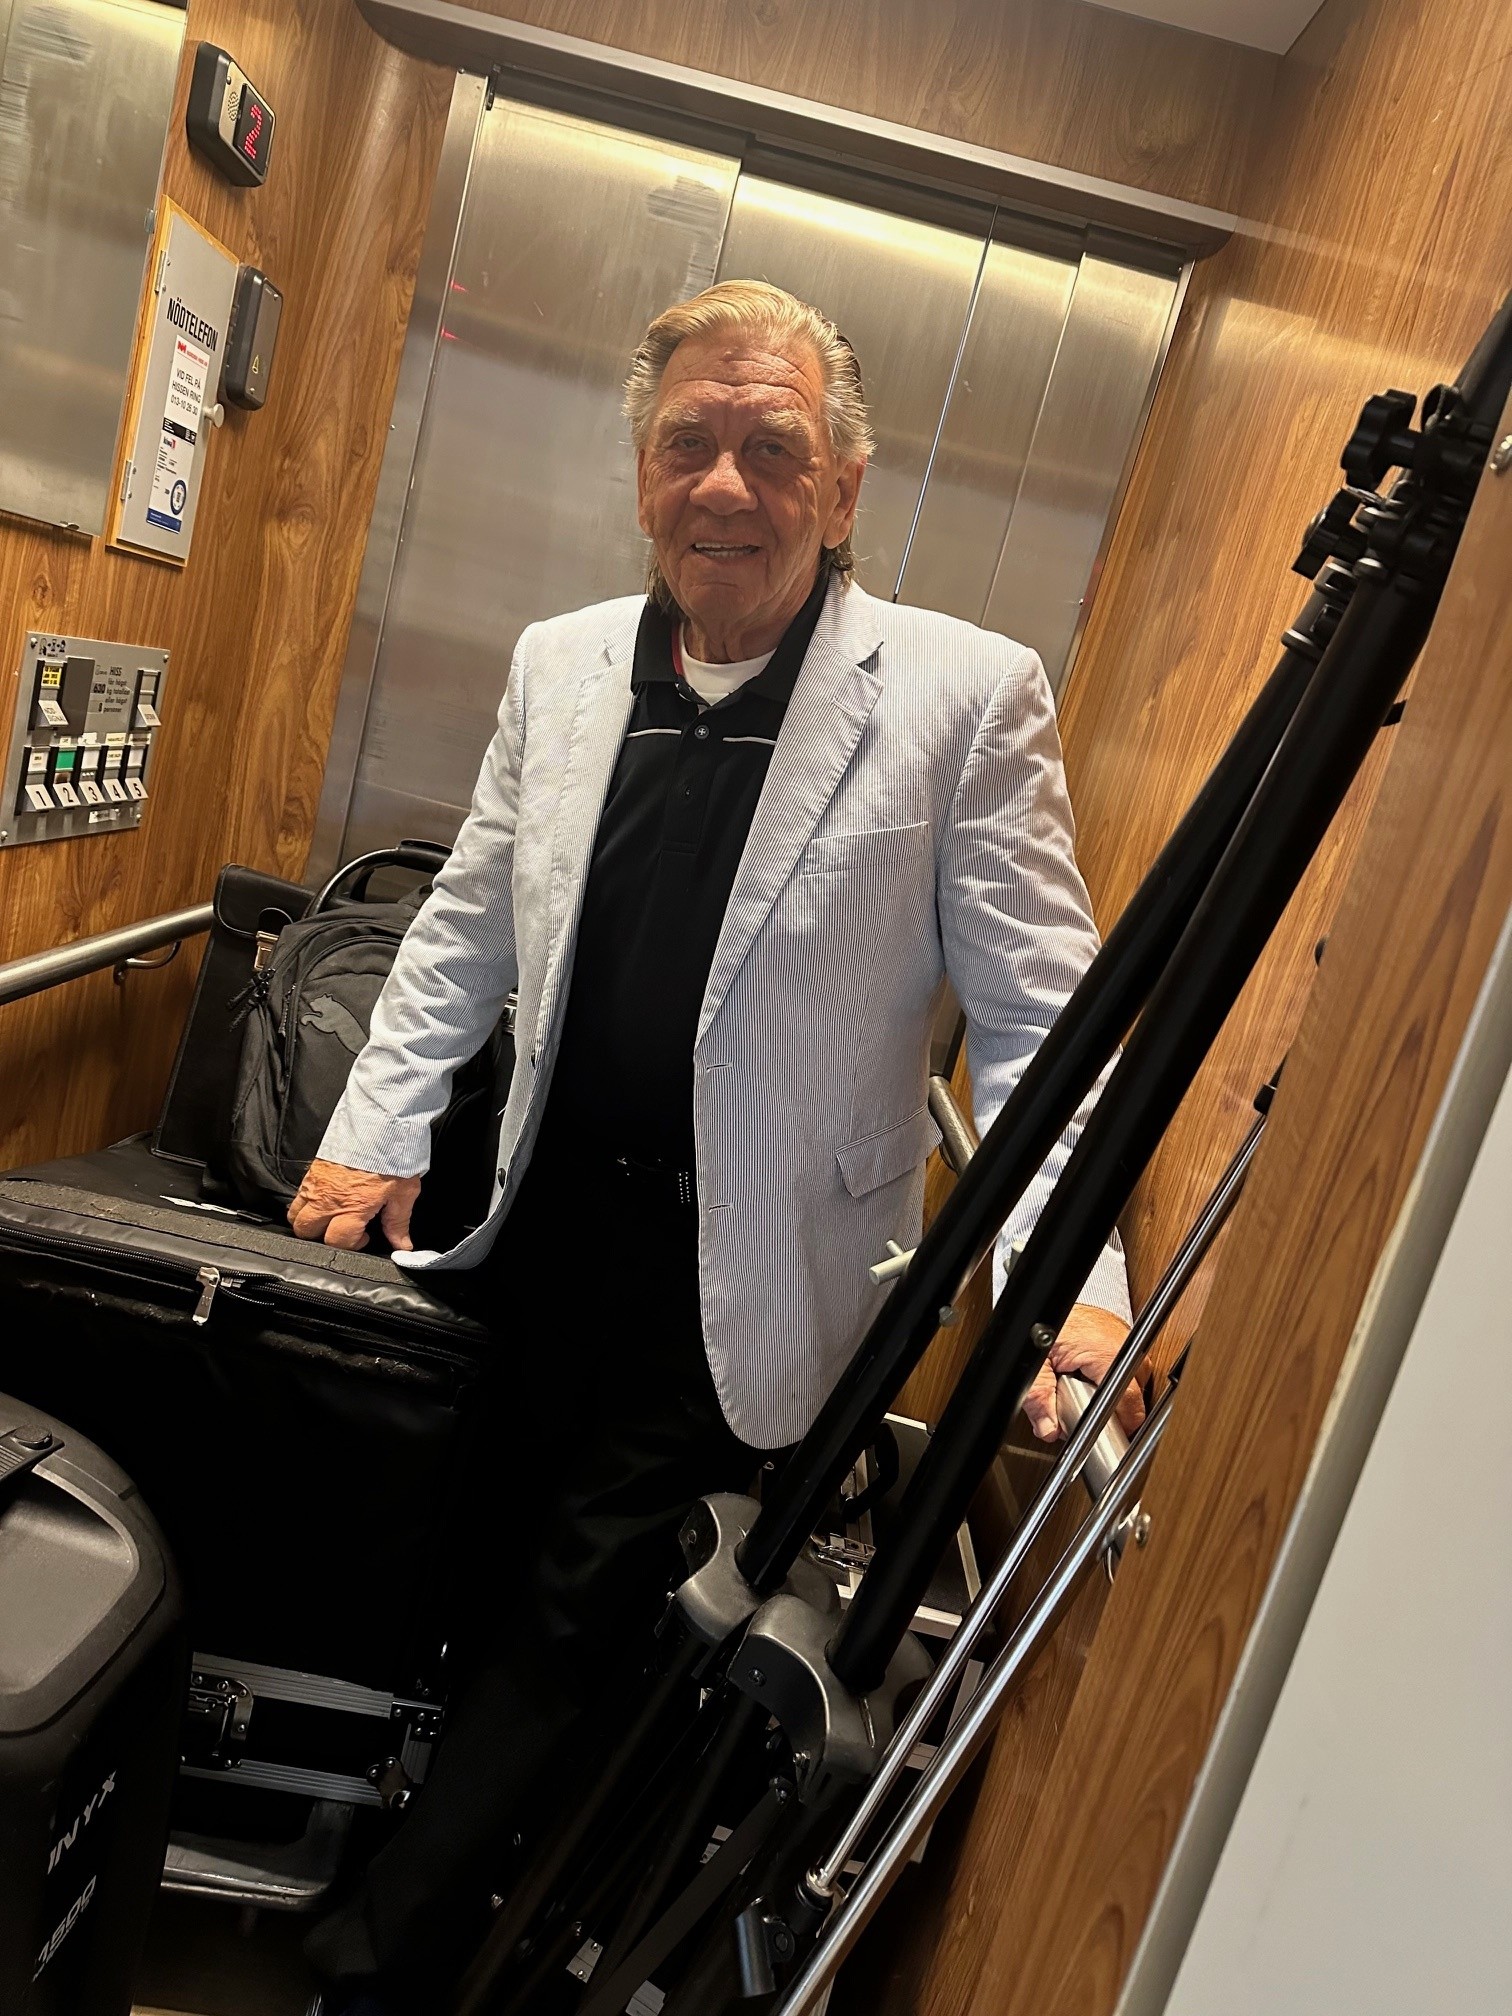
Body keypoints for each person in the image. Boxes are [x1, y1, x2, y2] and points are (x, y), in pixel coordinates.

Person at [293, 280, 1140, 2011]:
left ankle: (375, 1969)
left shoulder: (965, 697)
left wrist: (1073, 1281)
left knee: (574, 1609)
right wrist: (377, 1128)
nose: (727, 487)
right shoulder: (562, 663)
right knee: (491, 1572)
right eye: (691, 443)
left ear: (843, 487)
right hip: (531, 1230)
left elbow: (1043, 1026)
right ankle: (476, 1876)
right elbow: (465, 925)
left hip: (745, 1267)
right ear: (642, 470)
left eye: (775, 449)